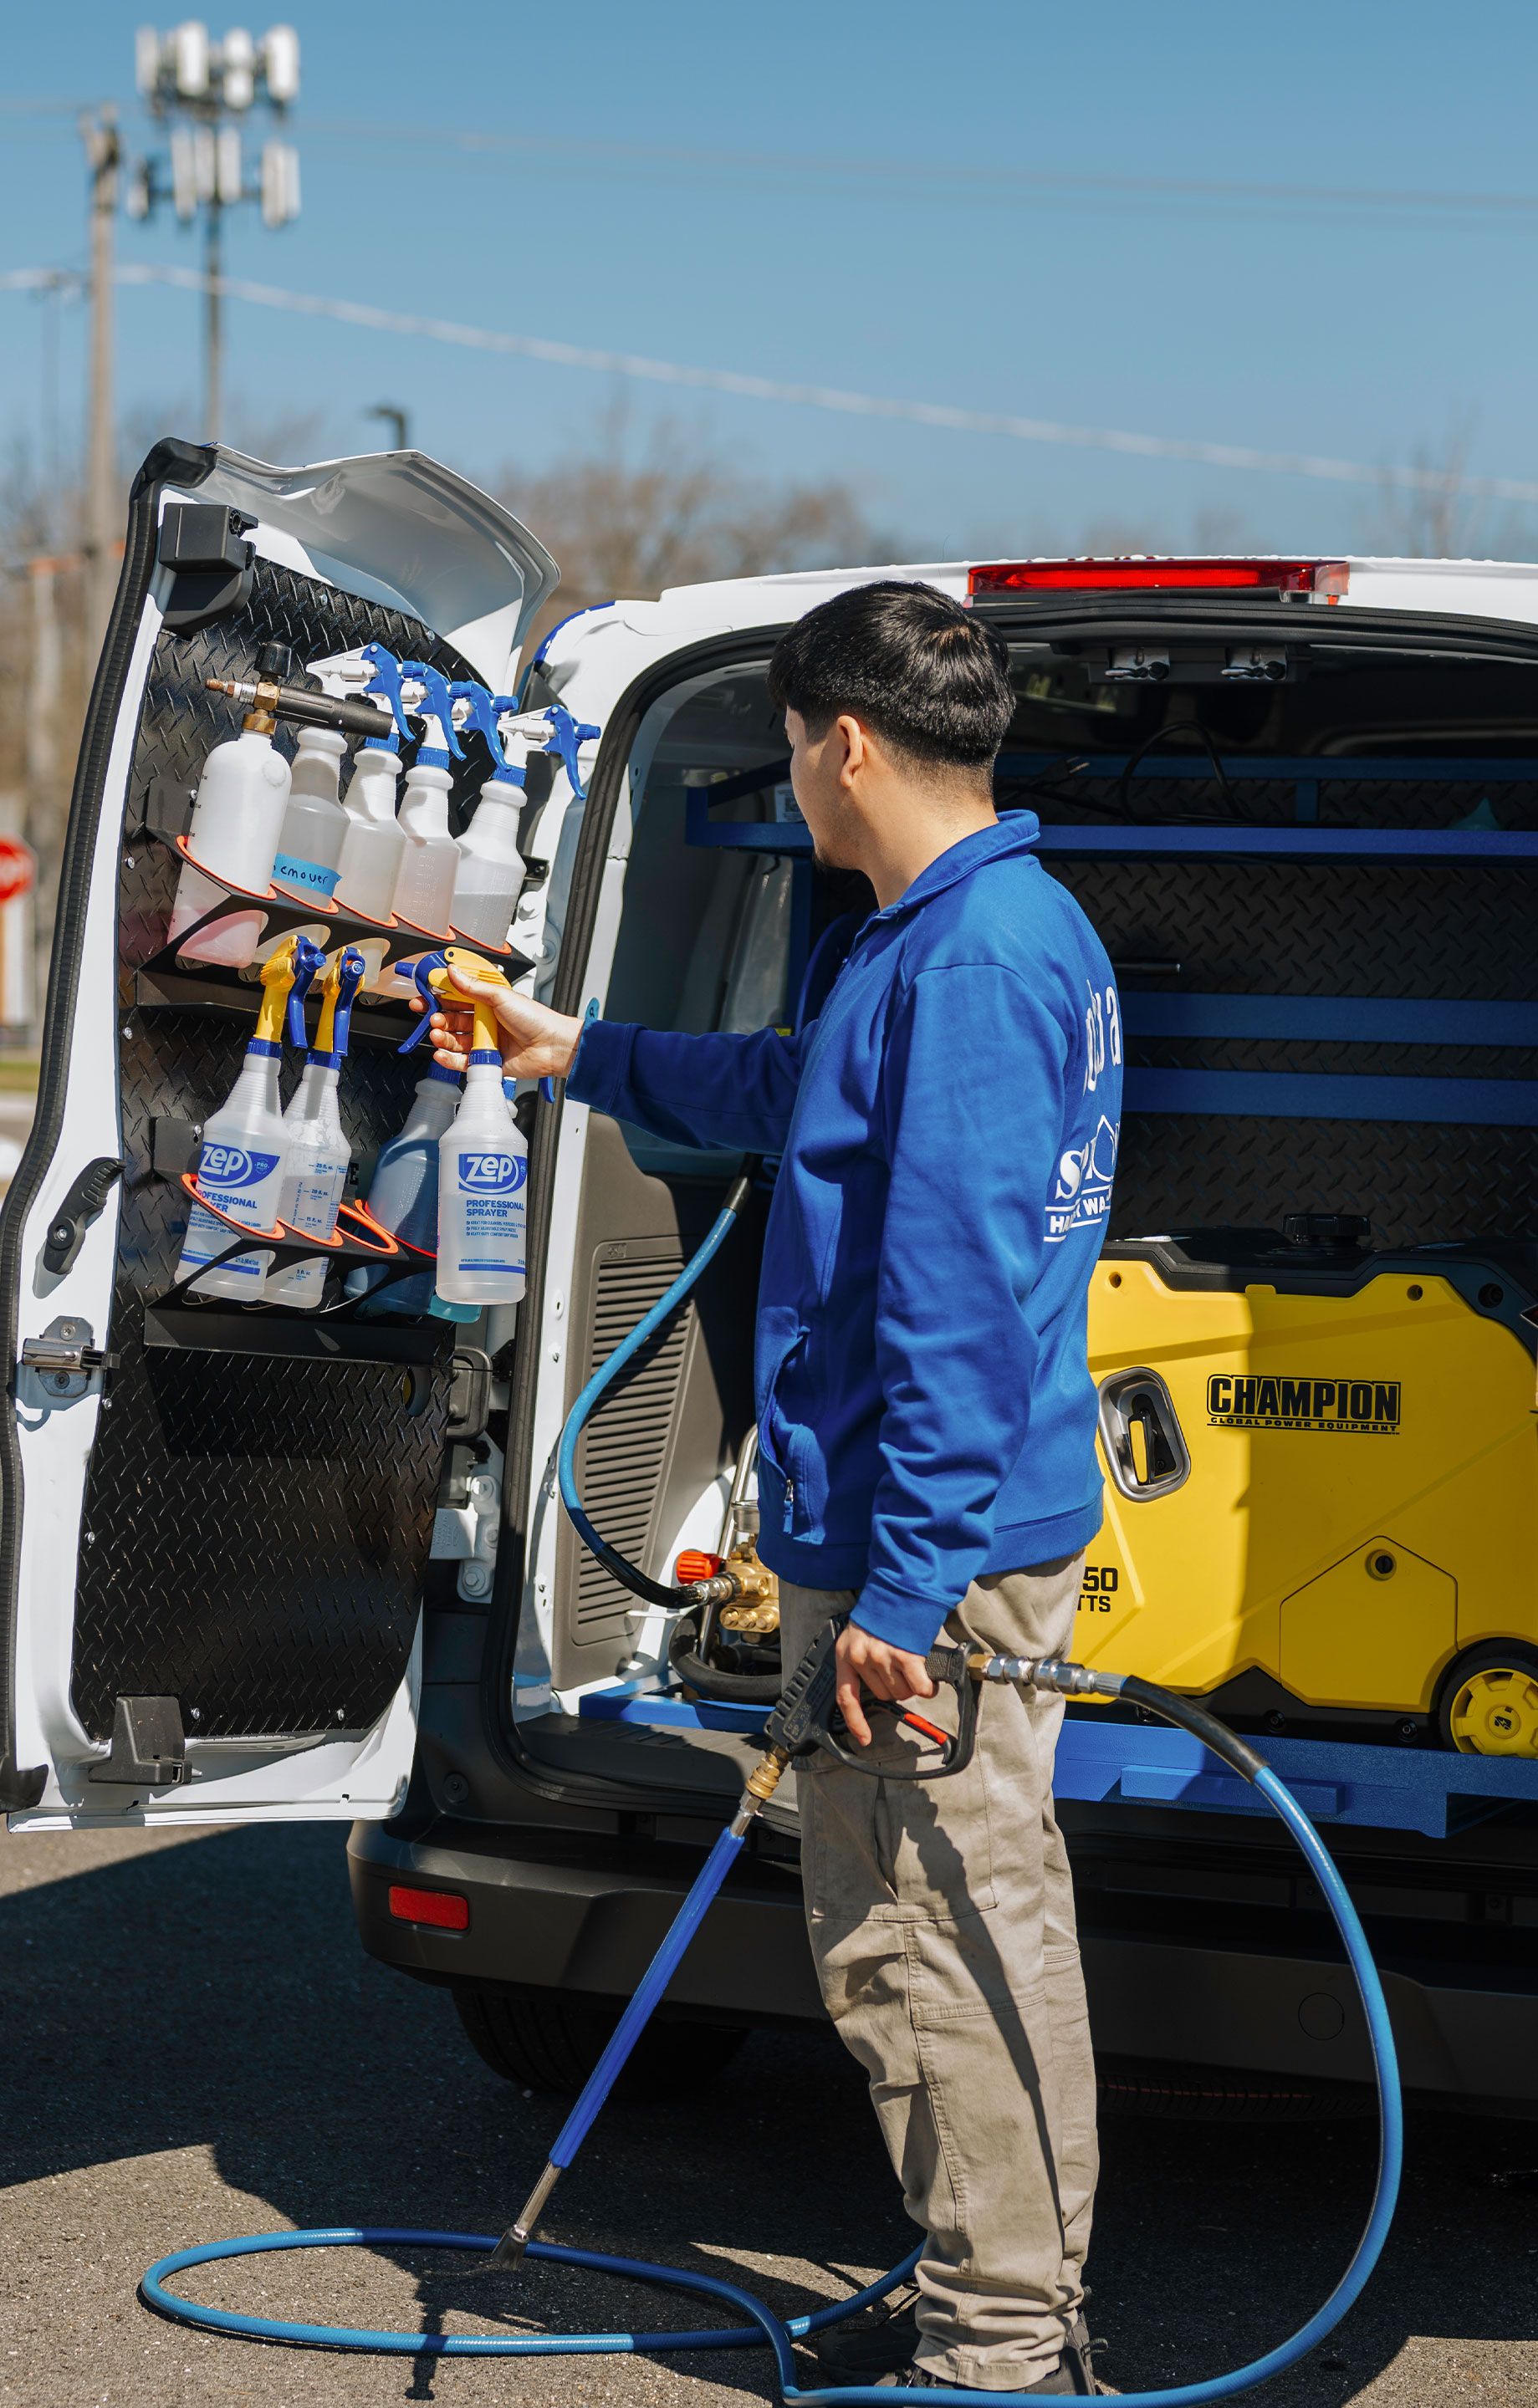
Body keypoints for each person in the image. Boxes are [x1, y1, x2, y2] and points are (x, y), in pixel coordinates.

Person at [430, 581, 1122, 2396]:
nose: (795, 788)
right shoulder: (947, 936)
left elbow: (964, 1308)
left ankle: (1000, 2345)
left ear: (846, 742)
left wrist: (897, 1602)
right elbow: (790, 1091)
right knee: (911, 1931)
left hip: (927, 1558)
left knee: (939, 1938)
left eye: (792, 755)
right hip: (921, 1529)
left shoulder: (971, 962)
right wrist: (573, 1051)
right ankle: (989, 2278)